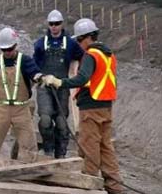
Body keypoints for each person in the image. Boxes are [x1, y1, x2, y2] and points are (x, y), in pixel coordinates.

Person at [43, 18, 123, 194]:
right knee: (105, 146)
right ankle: (114, 187)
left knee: (89, 146)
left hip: (91, 108)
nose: (78, 44)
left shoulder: (91, 55)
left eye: (79, 40)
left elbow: (82, 78)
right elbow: (103, 80)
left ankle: (89, 184)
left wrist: (59, 82)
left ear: (87, 38)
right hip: (105, 106)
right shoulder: (108, 55)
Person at [0, 27, 44, 163]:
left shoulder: (25, 61)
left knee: (28, 146)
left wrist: (41, 77)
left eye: (9, 49)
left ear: (16, 45)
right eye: (3, 50)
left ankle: (27, 174)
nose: (7, 52)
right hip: (1, 109)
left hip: (22, 110)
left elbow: (34, 72)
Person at [33, 10, 84, 158]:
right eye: (51, 24)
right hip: (44, 87)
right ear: (48, 25)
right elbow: (34, 65)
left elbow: (82, 58)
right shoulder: (40, 43)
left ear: (62, 24)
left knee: (62, 122)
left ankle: (60, 153)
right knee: (45, 119)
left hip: (62, 86)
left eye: (57, 24)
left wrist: (76, 76)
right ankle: (48, 148)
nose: (54, 27)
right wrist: (38, 77)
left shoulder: (71, 43)